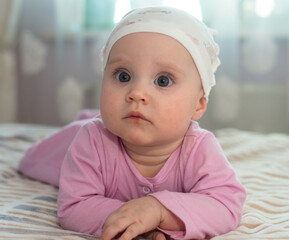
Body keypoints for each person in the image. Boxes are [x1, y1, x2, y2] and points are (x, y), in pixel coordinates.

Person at [19, 6, 246, 240]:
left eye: (163, 80)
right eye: (123, 76)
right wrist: (135, 220)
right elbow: (74, 206)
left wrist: (160, 212)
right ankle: (85, 118)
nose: (137, 93)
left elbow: (225, 204)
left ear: (198, 104)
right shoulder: (92, 140)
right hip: (72, 143)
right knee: (34, 160)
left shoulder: (200, 149)